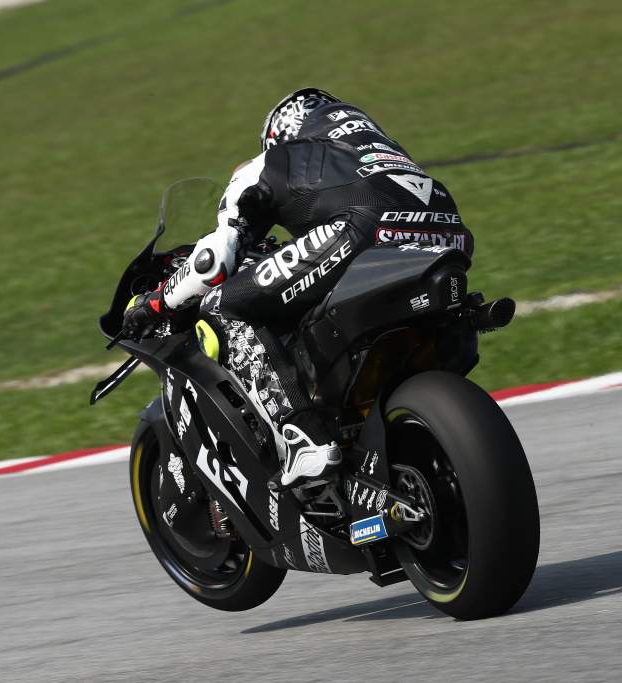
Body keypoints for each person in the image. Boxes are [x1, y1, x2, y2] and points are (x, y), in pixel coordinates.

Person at [123, 88, 474, 489]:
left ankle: (304, 437)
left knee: (224, 306)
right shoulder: (378, 149)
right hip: (449, 235)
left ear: (278, 134)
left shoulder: (266, 163)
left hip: (360, 229)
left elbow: (213, 262)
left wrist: (157, 303)